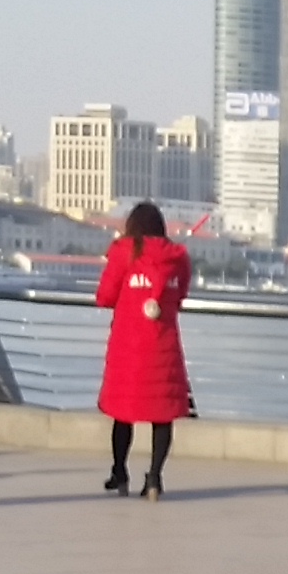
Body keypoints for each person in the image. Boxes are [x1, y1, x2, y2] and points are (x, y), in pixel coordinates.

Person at [94, 199, 192, 499]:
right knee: (162, 415)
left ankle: (119, 471)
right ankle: (154, 478)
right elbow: (179, 296)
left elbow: (105, 296)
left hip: (128, 347)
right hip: (164, 347)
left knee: (122, 413)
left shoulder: (125, 253)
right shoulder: (178, 259)